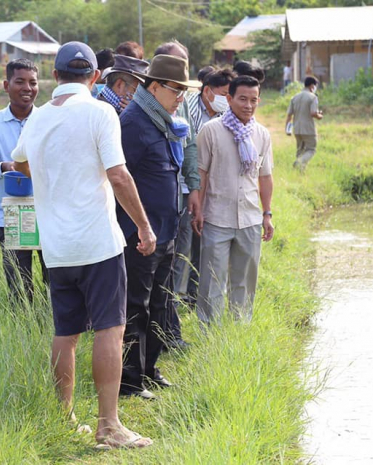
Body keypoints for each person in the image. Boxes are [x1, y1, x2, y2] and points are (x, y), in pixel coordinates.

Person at [11, 42, 155, 450]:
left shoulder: (37, 119)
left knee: (66, 332)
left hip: (56, 247)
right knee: (110, 328)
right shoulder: (100, 112)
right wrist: (144, 227)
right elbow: (119, 175)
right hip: (97, 243)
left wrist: (48, 177)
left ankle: (65, 418)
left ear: (55, 76)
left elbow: (19, 162)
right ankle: (109, 425)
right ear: (95, 77)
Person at [117, 54, 201, 399]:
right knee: (135, 306)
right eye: (175, 89)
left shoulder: (163, 119)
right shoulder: (133, 123)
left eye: (184, 90)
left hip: (165, 229)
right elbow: (118, 179)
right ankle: (129, 380)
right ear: (153, 87)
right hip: (140, 234)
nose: (181, 97)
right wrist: (138, 227)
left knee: (160, 304)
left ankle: (149, 369)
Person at [194, 75, 275, 325]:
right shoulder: (211, 131)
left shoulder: (261, 135)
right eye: (242, 99)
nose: (248, 105)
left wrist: (267, 214)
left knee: (245, 282)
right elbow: (201, 173)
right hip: (216, 217)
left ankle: (239, 329)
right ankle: (210, 333)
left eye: (253, 100)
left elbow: (265, 177)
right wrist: (198, 210)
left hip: (250, 219)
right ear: (229, 99)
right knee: (212, 281)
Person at [0, 58, 48, 304]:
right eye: (20, 82)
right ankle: (23, 324)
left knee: (56, 283)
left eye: (33, 83)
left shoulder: (48, 119)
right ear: (6, 85)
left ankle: (53, 325)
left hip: (48, 212)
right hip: (11, 215)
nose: (27, 88)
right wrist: (9, 166)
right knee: (19, 287)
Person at [171, 68, 235, 311]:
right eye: (223, 94)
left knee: (205, 243)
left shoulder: (227, 114)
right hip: (187, 187)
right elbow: (190, 151)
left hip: (213, 189)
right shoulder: (189, 109)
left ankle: (195, 295)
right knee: (184, 243)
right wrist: (194, 189)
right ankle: (175, 298)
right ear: (207, 91)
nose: (226, 99)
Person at [152, 40, 201, 352]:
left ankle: (170, 330)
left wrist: (193, 187)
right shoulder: (144, 105)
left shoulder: (181, 100)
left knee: (176, 262)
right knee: (156, 269)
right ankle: (161, 335)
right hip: (155, 198)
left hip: (180, 194)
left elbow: (190, 144)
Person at [285, 76, 323, 171]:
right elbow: (313, 113)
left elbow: (289, 115)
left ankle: (300, 172)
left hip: (297, 129)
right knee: (311, 149)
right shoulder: (313, 97)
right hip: (308, 129)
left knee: (300, 151)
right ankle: (299, 162)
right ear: (312, 86)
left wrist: (287, 129)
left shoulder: (295, 97)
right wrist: (319, 116)